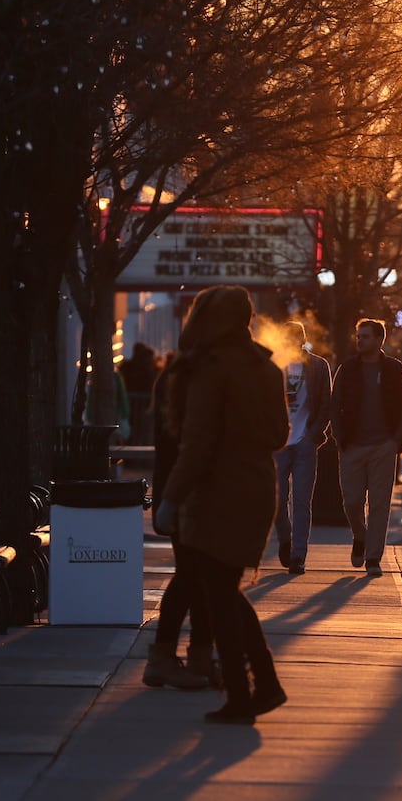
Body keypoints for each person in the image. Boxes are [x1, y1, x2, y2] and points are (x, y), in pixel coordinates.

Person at [154, 286, 290, 724]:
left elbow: (196, 444)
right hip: (255, 487)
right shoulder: (266, 369)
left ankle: (245, 693)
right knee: (223, 589)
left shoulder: (209, 368)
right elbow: (278, 436)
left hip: (215, 492)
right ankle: (260, 685)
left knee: (219, 594)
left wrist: (171, 500)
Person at [142, 363, 217, 691]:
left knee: (197, 577)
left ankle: (195, 655)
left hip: (178, 491)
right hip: (188, 493)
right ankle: (169, 654)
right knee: (193, 575)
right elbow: (188, 446)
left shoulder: (175, 375)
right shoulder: (191, 378)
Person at [325, 318, 402, 577]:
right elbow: (335, 403)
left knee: (379, 504)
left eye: (365, 336)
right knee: (352, 501)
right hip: (352, 445)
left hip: (383, 447)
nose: (360, 340)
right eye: (358, 336)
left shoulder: (393, 369)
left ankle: (373, 557)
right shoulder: (348, 368)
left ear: (379, 340)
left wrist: (397, 439)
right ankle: (360, 536)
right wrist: (339, 436)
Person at [271, 321, 331, 575]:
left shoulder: (318, 366)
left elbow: (326, 402)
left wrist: (313, 435)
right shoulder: (274, 366)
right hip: (279, 444)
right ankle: (285, 539)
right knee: (277, 499)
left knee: (302, 501)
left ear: (302, 340)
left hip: (305, 442)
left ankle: (298, 556)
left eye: (296, 337)